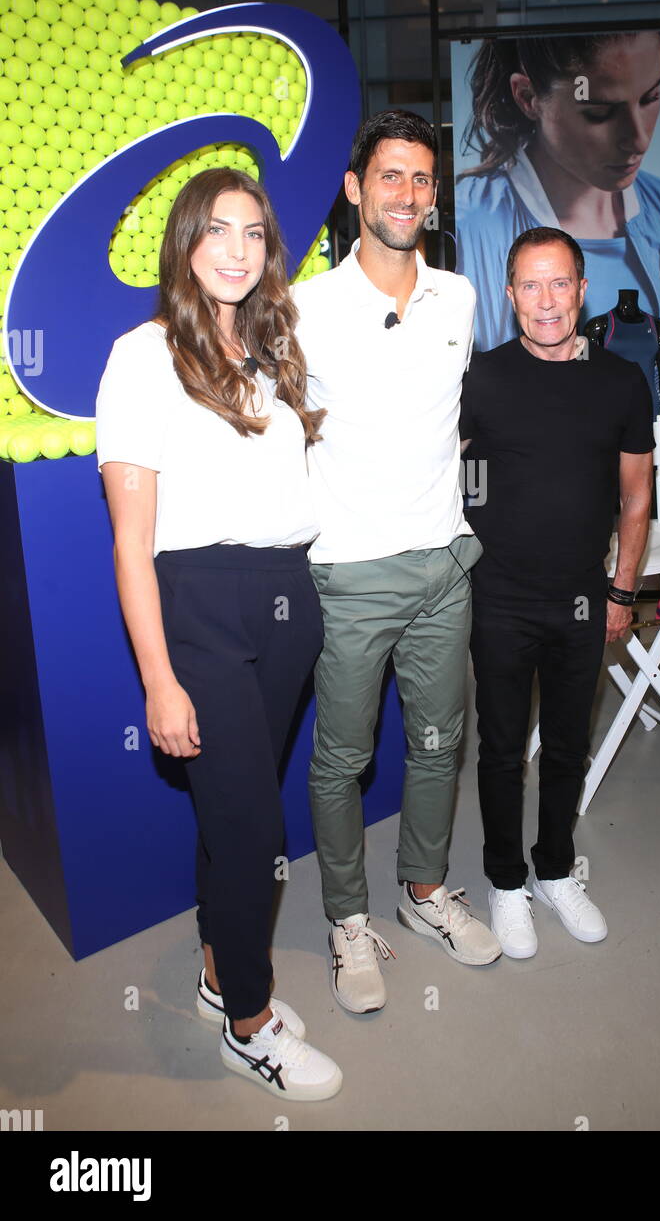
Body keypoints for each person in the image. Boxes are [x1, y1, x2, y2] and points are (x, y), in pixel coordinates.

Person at [95, 168, 342, 1101]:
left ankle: (213, 974)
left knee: (229, 811)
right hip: (195, 600)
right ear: (186, 243)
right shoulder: (141, 355)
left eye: (253, 233)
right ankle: (249, 1020)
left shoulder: (278, 355)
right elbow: (130, 537)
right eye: (218, 231)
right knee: (250, 826)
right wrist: (158, 677)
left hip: (286, 594)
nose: (237, 250)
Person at [293, 110, 500, 1016]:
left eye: (421, 179)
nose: (408, 195)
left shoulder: (457, 296)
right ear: (355, 190)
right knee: (341, 760)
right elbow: (271, 428)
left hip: (443, 566)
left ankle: (424, 892)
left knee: (439, 744)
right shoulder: (302, 309)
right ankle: (347, 919)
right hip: (348, 572)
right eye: (391, 177)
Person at [460, 226, 654, 958]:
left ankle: (554, 870)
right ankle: (506, 882)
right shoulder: (482, 379)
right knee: (503, 749)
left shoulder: (620, 383)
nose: (547, 301)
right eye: (531, 286)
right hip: (499, 599)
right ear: (511, 296)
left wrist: (621, 590)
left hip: (583, 598)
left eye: (560, 283)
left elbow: (636, 501)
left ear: (582, 290)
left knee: (570, 745)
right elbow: (443, 472)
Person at [456, 31, 660, 352]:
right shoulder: (467, 228)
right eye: (599, 112)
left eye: (650, 97)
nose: (638, 140)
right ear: (527, 97)